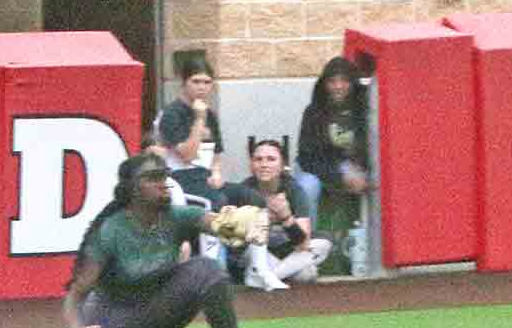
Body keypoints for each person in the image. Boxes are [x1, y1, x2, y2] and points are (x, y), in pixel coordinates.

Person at [0, 153, 271, 328]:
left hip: (164, 308)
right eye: (153, 178)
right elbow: (75, 295)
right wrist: (75, 326)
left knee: (208, 270)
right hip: (114, 317)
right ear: (132, 189)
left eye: (164, 176)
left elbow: (210, 221)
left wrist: (227, 223)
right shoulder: (110, 232)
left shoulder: (177, 215)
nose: (163, 182)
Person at [225, 139, 333, 290]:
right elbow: (235, 242)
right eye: (258, 159)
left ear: (282, 165)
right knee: (305, 273)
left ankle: (265, 277)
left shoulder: (293, 189)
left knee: (322, 243)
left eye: (271, 159)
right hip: (257, 253)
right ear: (251, 165)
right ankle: (268, 275)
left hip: (286, 251)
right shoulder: (243, 191)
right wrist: (266, 218)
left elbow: (303, 243)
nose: (264, 164)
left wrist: (286, 217)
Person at [296, 56, 370, 230]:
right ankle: (311, 240)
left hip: (357, 167)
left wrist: (361, 171)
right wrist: (340, 174)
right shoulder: (314, 112)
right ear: (324, 84)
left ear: (353, 83)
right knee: (307, 187)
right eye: (332, 81)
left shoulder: (366, 111)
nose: (338, 86)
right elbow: (307, 158)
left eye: (344, 81)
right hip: (320, 166)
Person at [156, 54, 227, 211]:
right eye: (196, 81)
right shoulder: (172, 114)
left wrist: (216, 173)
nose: (201, 87)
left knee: (249, 197)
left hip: (205, 176)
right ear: (184, 83)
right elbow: (188, 155)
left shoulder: (211, 115)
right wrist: (199, 119)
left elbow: (217, 153)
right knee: (219, 201)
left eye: (207, 82)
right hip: (181, 177)